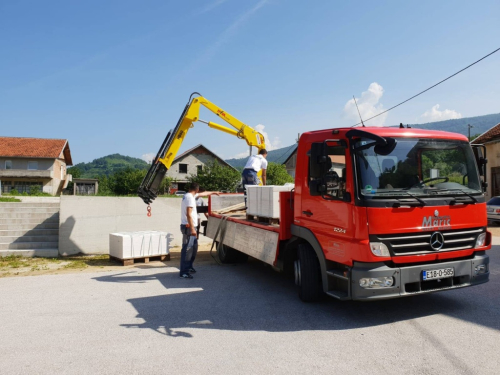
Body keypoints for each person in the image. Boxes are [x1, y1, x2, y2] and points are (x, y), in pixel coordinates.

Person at [179, 183, 219, 279]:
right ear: (197, 190)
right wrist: (192, 228)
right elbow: (188, 214)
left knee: (193, 248)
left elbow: (203, 193)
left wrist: (214, 192)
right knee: (188, 249)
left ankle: (189, 267)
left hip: (192, 226)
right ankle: (184, 272)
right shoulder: (190, 198)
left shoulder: (190, 195)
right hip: (189, 227)